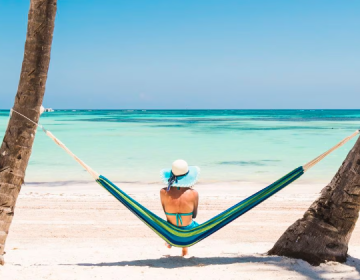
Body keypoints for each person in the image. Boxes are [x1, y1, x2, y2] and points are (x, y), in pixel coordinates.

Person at [160, 159, 200, 257]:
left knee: (170, 221)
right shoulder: (194, 193)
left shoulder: (163, 192)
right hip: (188, 232)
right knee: (192, 224)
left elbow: (165, 212)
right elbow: (194, 215)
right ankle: (184, 247)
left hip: (170, 231)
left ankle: (170, 241)